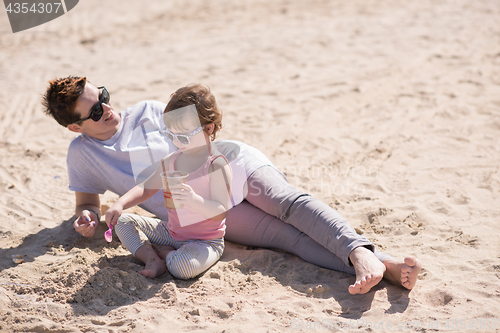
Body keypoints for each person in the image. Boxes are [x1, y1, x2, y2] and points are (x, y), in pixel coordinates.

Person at [42, 76, 421, 294]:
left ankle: (359, 251)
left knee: (288, 203)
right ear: (76, 127)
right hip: (200, 214)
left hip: (229, 166)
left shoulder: (149, 110)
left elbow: (201, 138)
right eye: (94, 111)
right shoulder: (82, 155)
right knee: (286, 239)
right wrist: (88, 217)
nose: (108, 109)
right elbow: (87, 204)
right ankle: (384, 264)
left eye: (104, 97)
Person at [105, 89, 232, 279]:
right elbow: (146, 188)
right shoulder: (171, 161)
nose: (177, 142)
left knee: (182, 268)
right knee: (123, 223)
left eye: (184, 136)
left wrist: (193, 200)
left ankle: (165, 254)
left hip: (205, 241)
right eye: (172, 135)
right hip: (171, 232)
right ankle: (152, 258)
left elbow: (221, 211)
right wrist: (120, 204)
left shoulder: (216, 165)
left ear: (209, 128)